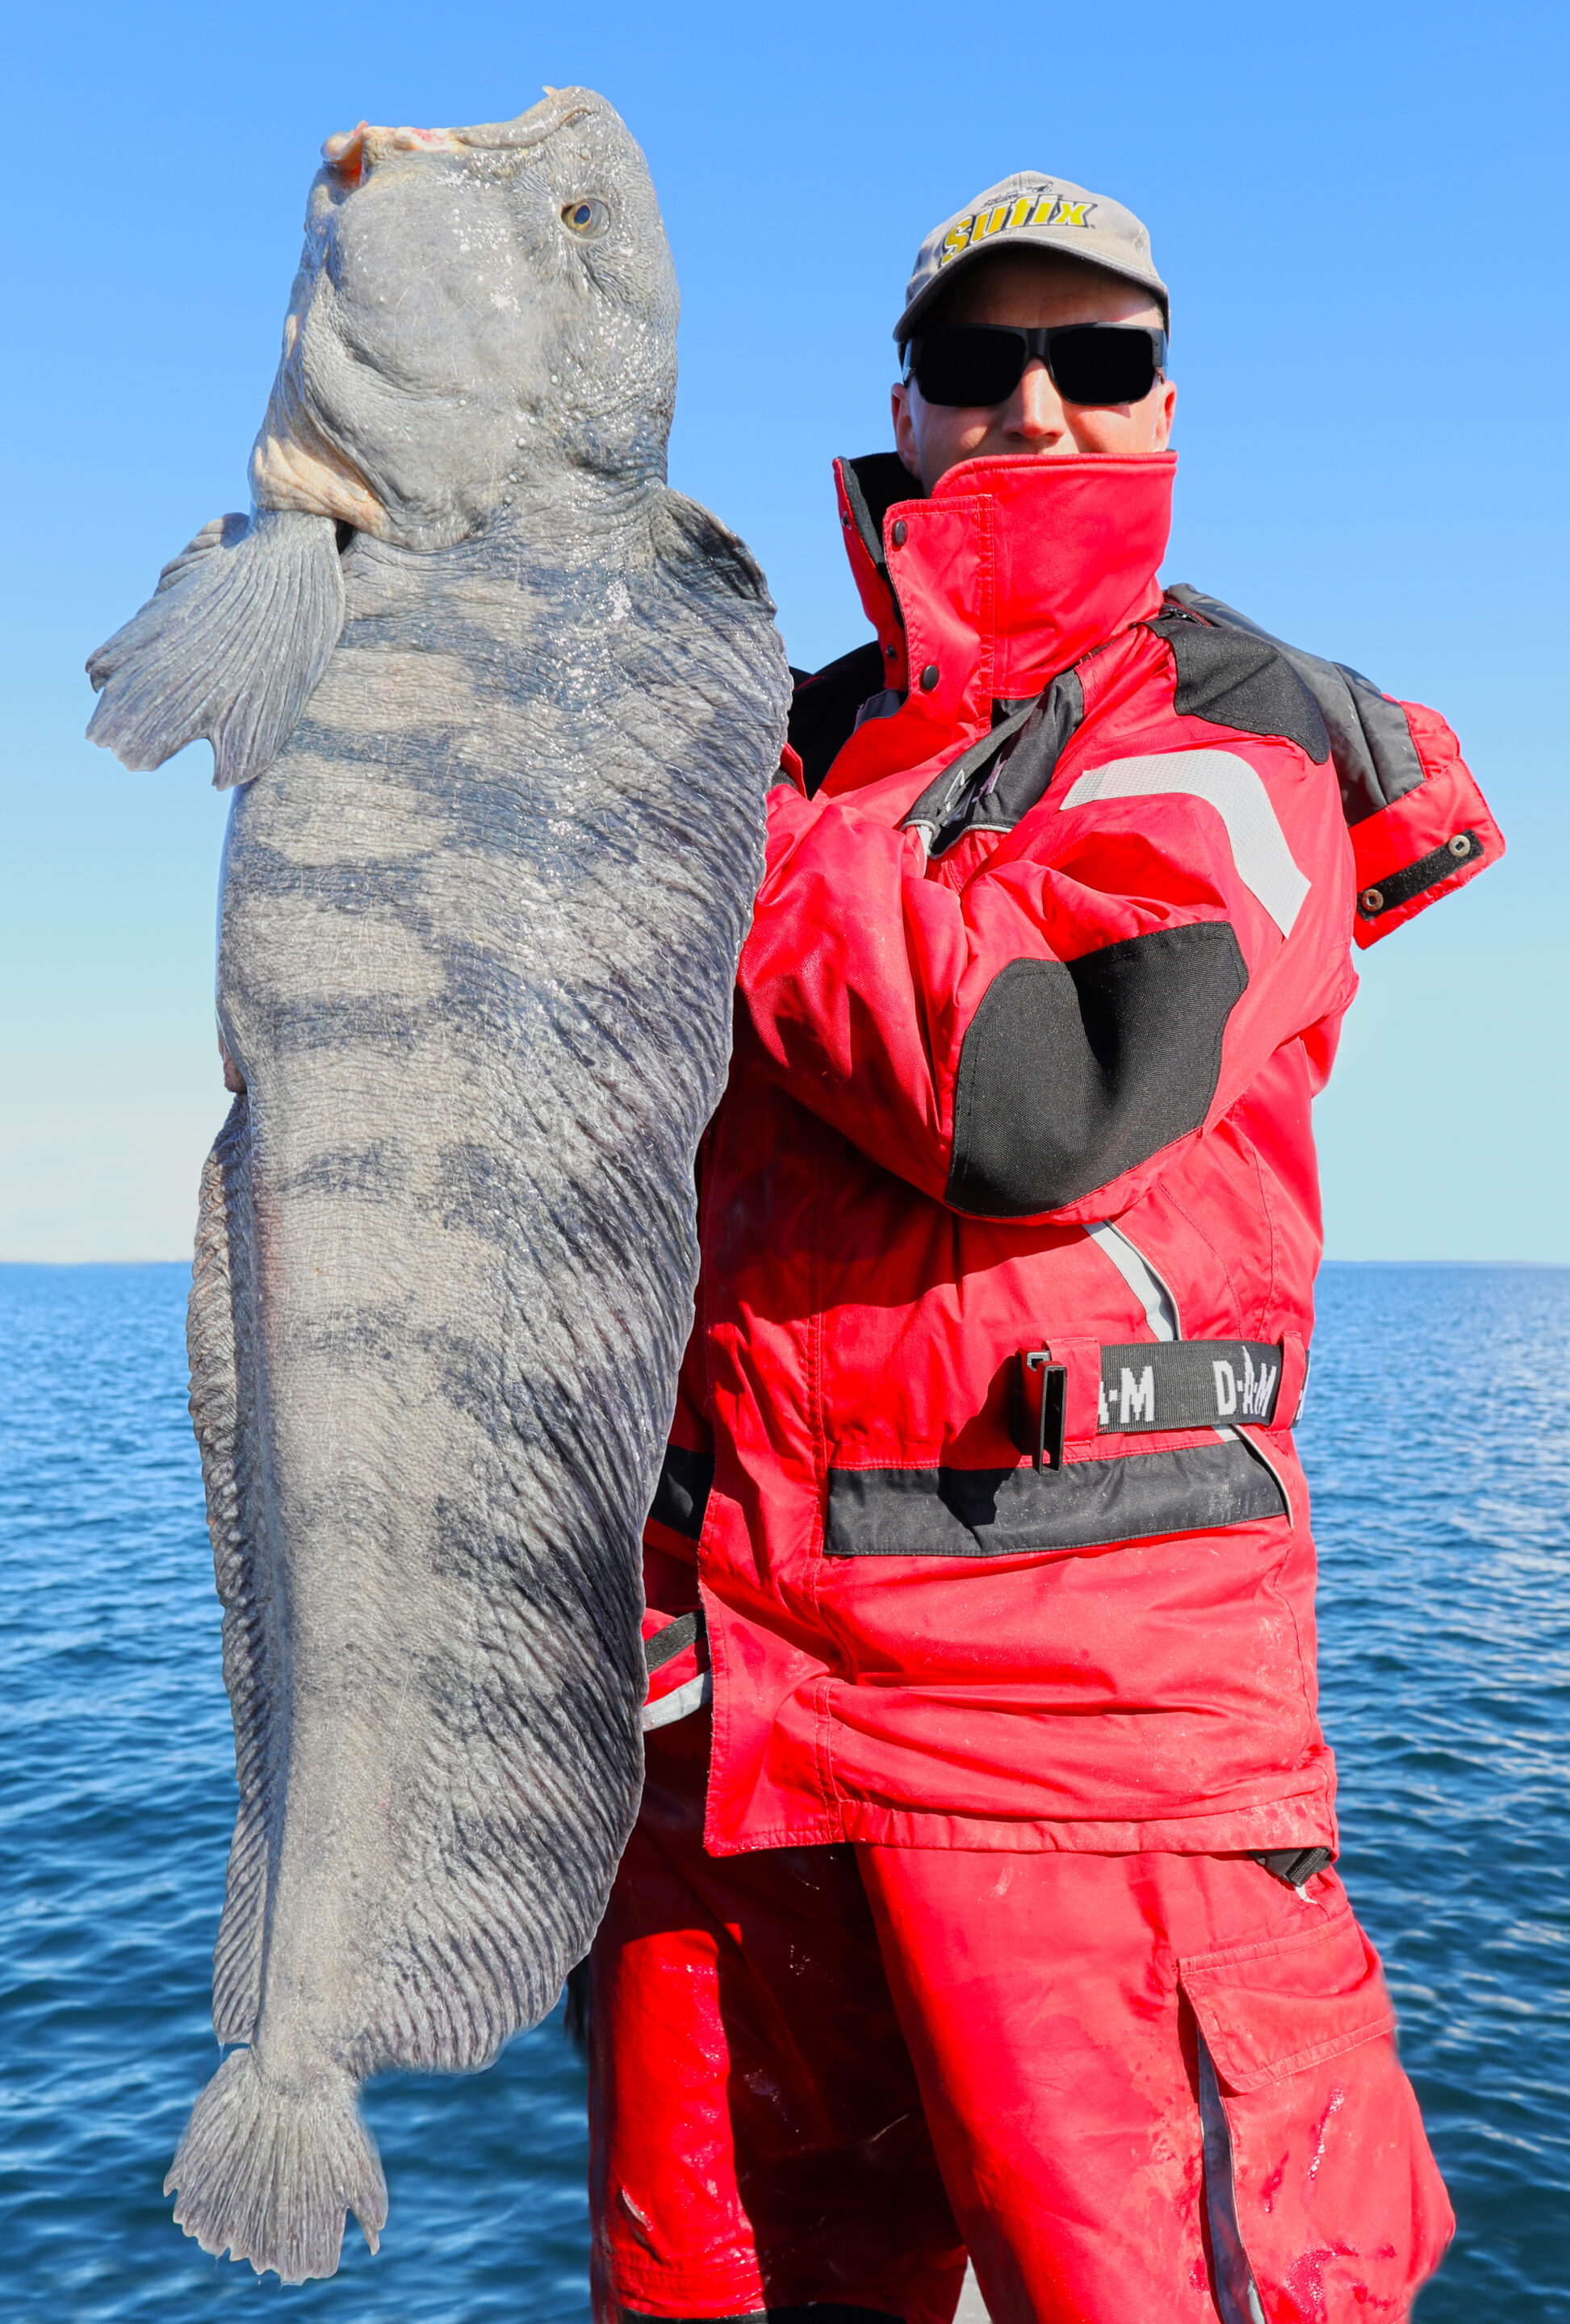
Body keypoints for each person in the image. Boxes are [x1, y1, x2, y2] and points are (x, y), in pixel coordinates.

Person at [588, 171, 1501, 2324]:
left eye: (1093, 358)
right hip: (711, 1743)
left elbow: (1046, 1098)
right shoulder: (775, 747)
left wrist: (706, 807)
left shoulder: (1234, 736)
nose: (1033, 403)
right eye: (975, 358)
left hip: (1087, 1764)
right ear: (902, 404)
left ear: (1164, 404)